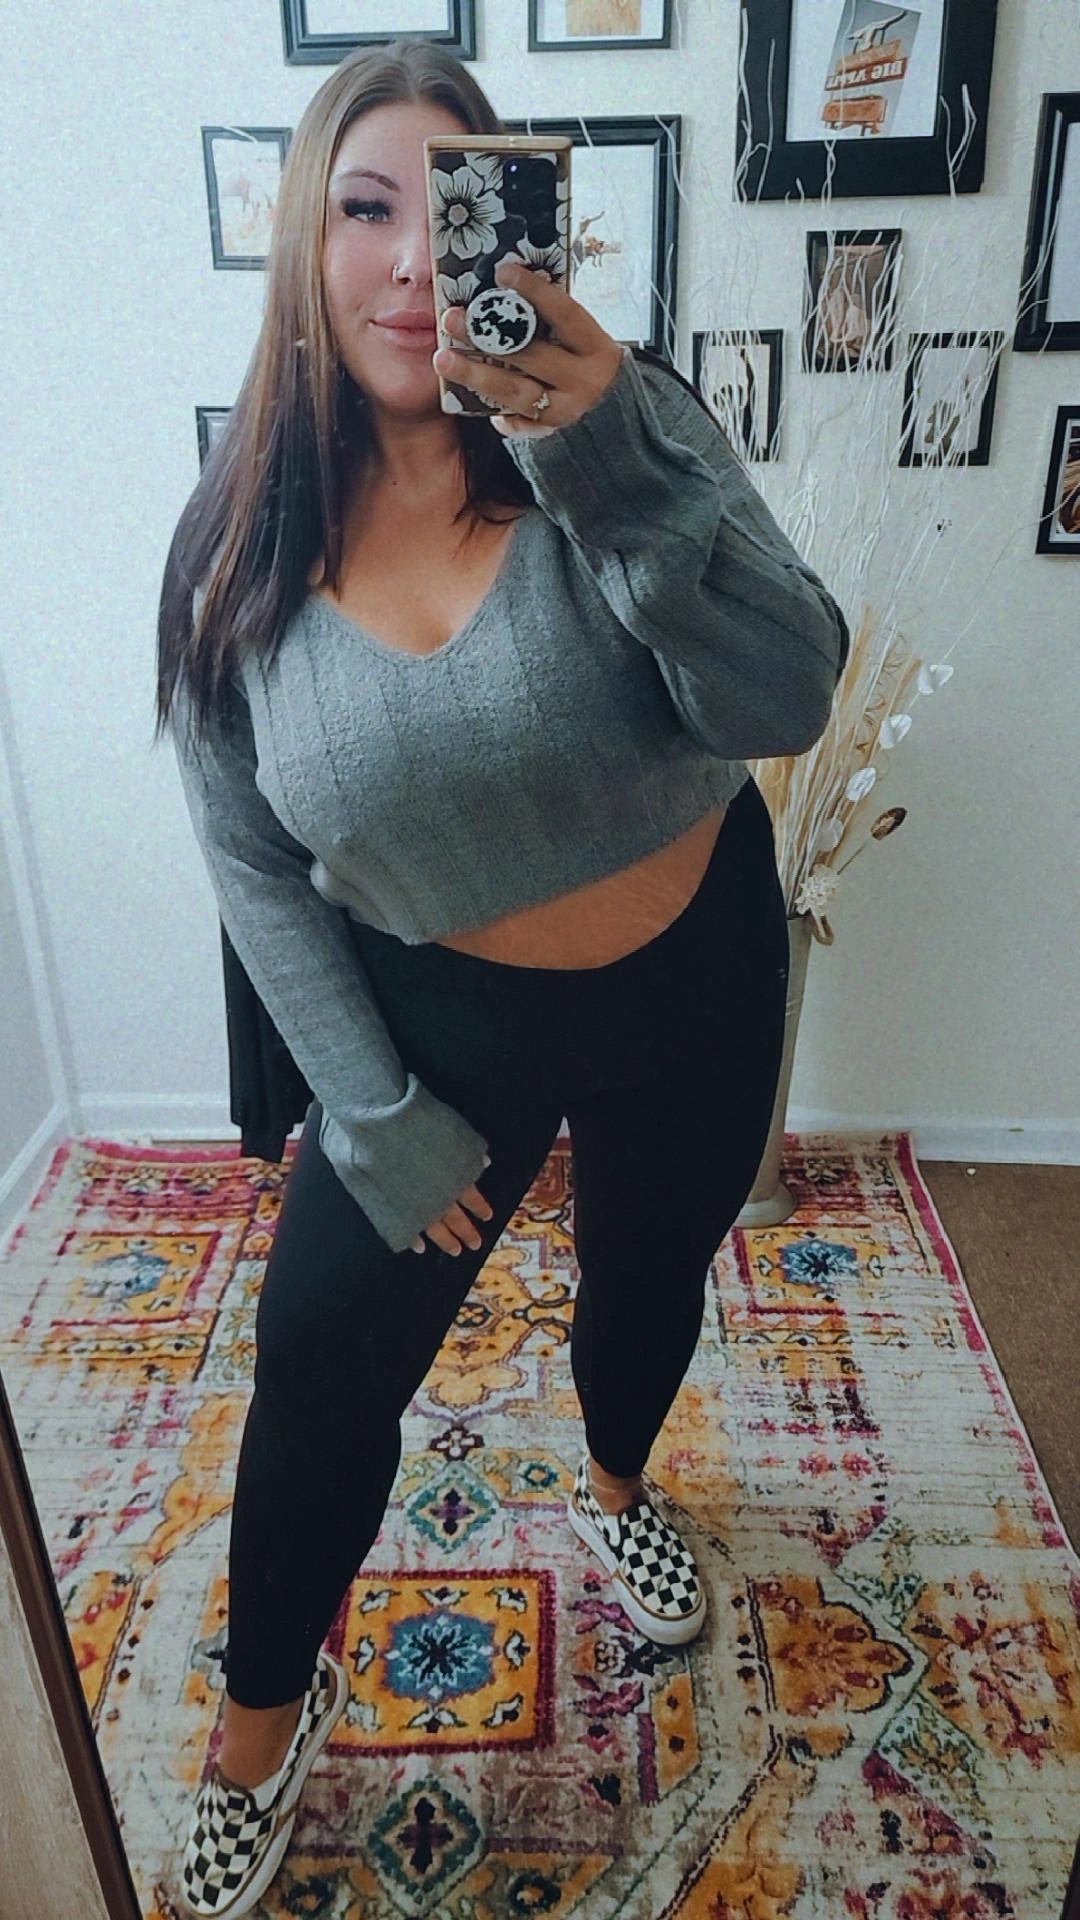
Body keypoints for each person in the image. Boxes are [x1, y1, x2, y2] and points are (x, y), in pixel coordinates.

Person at [155, 37, 849, 1919]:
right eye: (362, 208)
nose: (409, 260)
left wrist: (603, 454)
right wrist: (367, 1112)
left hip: (700, 974)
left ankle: (616, 1488)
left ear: (520, 225)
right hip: (441, 1024)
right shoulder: (234, 550)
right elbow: (251, 862)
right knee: (317, 1372)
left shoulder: (624, 422)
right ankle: (257, 1721)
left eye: (450, 205)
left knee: (645, 1284)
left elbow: (787, 694)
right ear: (302, 244)